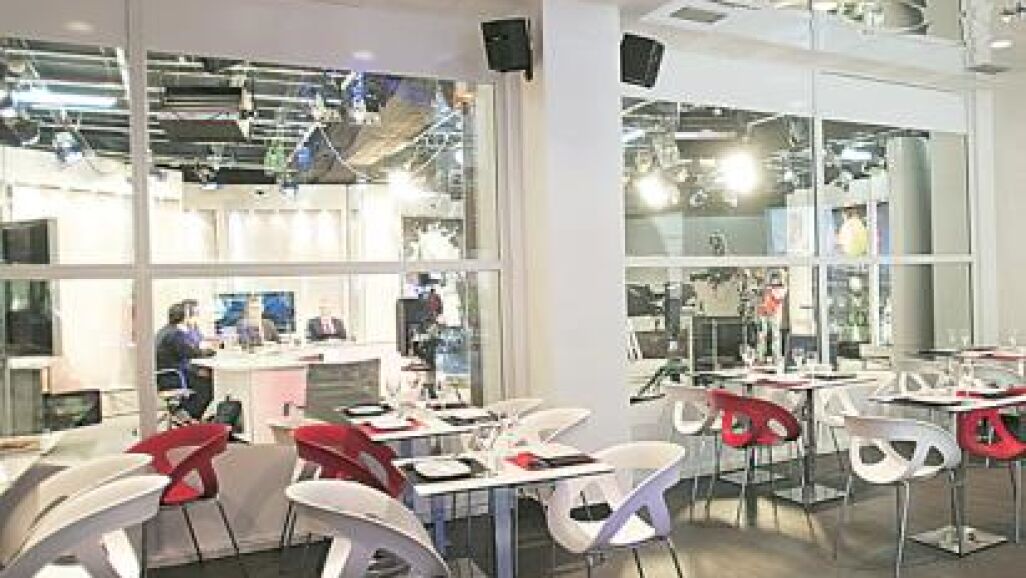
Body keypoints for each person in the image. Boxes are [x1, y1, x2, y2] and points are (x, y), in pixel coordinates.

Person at [155, 302, 215, 420]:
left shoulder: (164, 331)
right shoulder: (175, 334)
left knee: (202, 376)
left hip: (164, 376)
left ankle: (181, 412)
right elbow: (190, 353)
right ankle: (189, 415)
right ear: (184, 317)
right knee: (207, 385)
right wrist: (210, 352)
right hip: (174, 377)